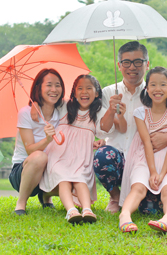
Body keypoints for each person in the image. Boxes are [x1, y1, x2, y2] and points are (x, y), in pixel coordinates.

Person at [95, 41, 167, 214]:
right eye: (127, 62)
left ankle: (147, 198)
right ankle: (115, 197)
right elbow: (100, 130)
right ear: (119, 65)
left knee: (150, 211)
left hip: (145, 161)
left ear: (147, 64)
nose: (132, 67)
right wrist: (110, 110)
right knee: (102, 157)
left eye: (138, 62)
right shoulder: (108, 93)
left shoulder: (155, 91)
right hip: (118, 157)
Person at [39, 75, 116, 224]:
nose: (84, 92)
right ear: (74, 92)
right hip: (60, 155)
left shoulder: (99, 111)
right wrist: (36, 105)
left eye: (88, 88)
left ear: (97, 93)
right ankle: (71, 210)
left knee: (80, 179)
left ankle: (87, 209)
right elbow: (46, 105)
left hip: (81, 158)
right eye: (79, 88)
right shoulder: (64, 106)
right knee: (64, 179)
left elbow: (105, 128)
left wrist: (112, 111)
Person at [118, 66, 167, 233]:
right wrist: (152, 171)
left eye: (163, 85)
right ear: (146, 89)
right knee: (138, 187)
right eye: (153, 85)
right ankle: (125, 216)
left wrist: (162, 174)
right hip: (144, 158)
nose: (158, 89)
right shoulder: (140, 113)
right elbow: (147, 143)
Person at [9, 68, 64, 216]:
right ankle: (21, 203)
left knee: (75, 174)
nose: (54, 89)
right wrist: (47, 140)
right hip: (24, 171)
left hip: (49, 170)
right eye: (49, 85)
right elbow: (30, 151)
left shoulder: (62, 111)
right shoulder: (26, 113)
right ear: (39, 88)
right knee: (40, 156)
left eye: (58, 85)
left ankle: (45, 196)